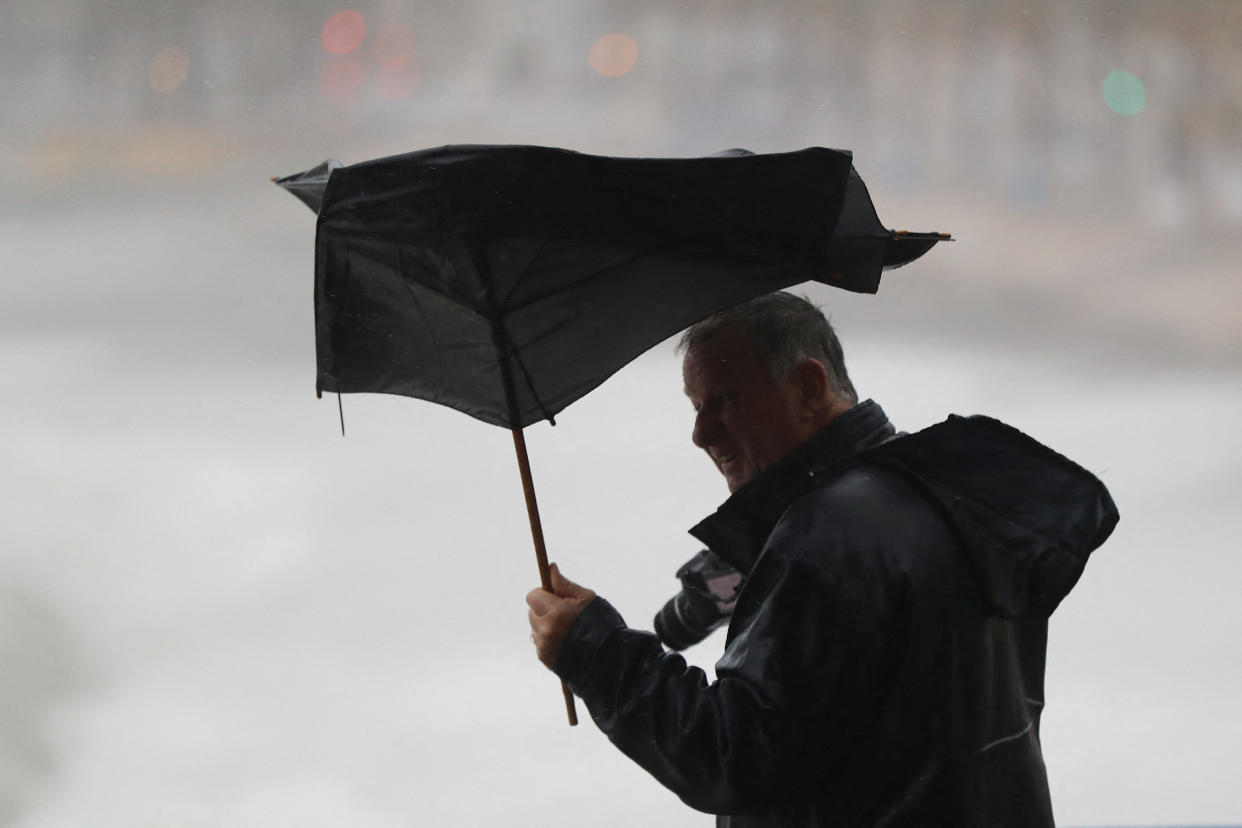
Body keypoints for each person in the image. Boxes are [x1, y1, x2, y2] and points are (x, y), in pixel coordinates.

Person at [526, 291, 1118, 827]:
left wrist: (595, 653)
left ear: (808, 389)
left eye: (724, 399)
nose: (701, 434)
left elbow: (738, 755)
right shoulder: (943, 499)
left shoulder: (830, 537)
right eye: (696, 406)